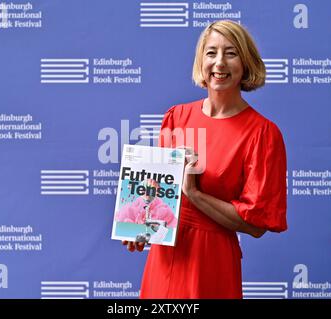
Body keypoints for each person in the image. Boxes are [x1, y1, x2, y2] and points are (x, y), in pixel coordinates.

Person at [122, 20, 287, 299]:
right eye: (211, 53)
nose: (219, 63)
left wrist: (195, 194)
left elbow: (257, 225)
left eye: (231, 53)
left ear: (246, 62)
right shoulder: (176, 116)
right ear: (201, 61)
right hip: (164, 259)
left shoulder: (262, 133)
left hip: (212, 261)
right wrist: (138, 225)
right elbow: (157, 194)